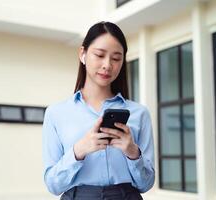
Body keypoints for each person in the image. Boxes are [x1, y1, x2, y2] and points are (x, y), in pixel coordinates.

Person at [42, 21, 155, 200]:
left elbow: (146, 184)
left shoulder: (139, 113)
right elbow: (53, 185)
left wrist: (133, 152)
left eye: (116, 58)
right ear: (83, 54)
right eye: (100, 55)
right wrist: (78, 151)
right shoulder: (56, 113)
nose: (107, 65)